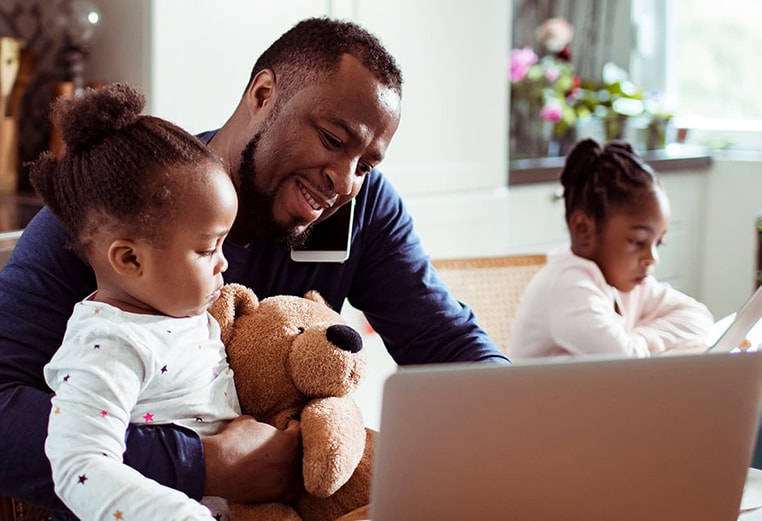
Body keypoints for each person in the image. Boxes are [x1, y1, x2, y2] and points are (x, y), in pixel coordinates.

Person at [0, 16, 507, 516]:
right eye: (333, 139)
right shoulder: (118, 213)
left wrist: (528, 417)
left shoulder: (363, 209)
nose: (346, 182)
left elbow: (448, 346)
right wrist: (202, 462)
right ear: (263, 94)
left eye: (366, 165)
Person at [31, 83, 256, 520]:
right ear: (131, 258)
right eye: (208, 248)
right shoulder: (107, 344)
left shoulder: (183, 315)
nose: (224, 263)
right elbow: (79, 464)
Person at [508, 138, 714, 359]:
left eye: (658, 243)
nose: (651, 258)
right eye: (637, 241)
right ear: (583, 228)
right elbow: (623, 359)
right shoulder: (567, 284)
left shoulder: (629, 283)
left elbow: (699, 317)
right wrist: (645, 343)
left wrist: (641, 339)